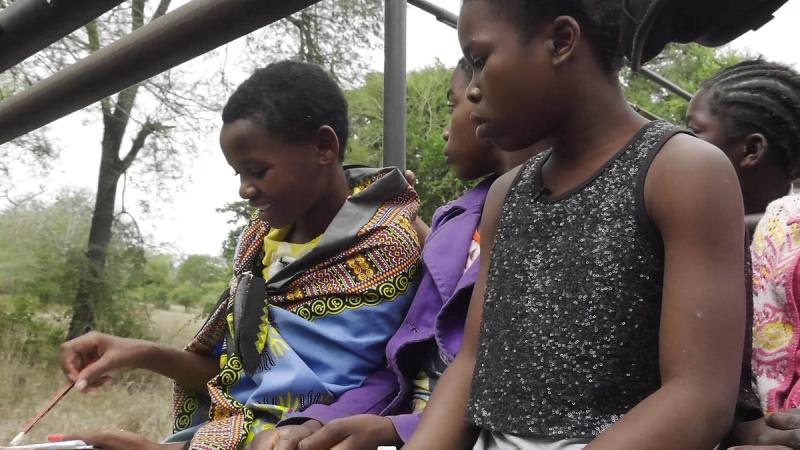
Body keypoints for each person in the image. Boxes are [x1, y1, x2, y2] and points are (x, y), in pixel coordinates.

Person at [402, 0, 747, 449]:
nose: (471, 91)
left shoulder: (682, 172)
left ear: (561, 41)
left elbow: (697, 397)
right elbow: (472, 362)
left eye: (481, 61)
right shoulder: (506, 196)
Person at [53, 60, 421, 450]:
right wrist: (139, 352)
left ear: (323, 147)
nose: (245, 190)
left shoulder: (391, 242)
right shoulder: (256, 246)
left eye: (257, 171)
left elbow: (387, 384)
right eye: (238, 175)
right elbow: (237, 375)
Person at [243, 58, 546, 450]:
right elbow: (401, 367)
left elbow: (500, 380)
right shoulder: (454, 228)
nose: (446, 124)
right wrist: (318, 422)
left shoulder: (547, 216)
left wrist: (397, 430)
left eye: (450, 104)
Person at [687, 60, 800, 449]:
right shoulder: (680, 239)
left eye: (693, 132)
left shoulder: (787, 242)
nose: (677, 144)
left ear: (750, 150)